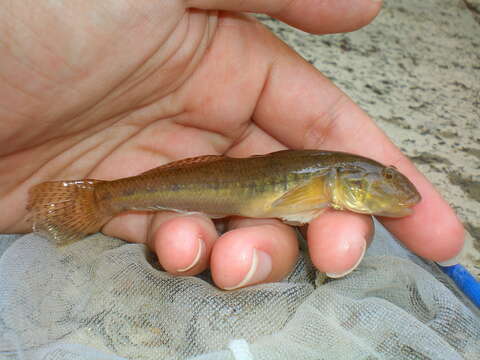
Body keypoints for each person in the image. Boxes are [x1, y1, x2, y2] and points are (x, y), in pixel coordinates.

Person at [0, 0, 464, 290]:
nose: (393, 189)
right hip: (197, 179)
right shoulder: (327, 181)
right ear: (345, 182)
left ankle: (98, 198)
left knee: (202, 245)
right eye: (384, 181)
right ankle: (97, 197)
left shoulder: (331, 176)